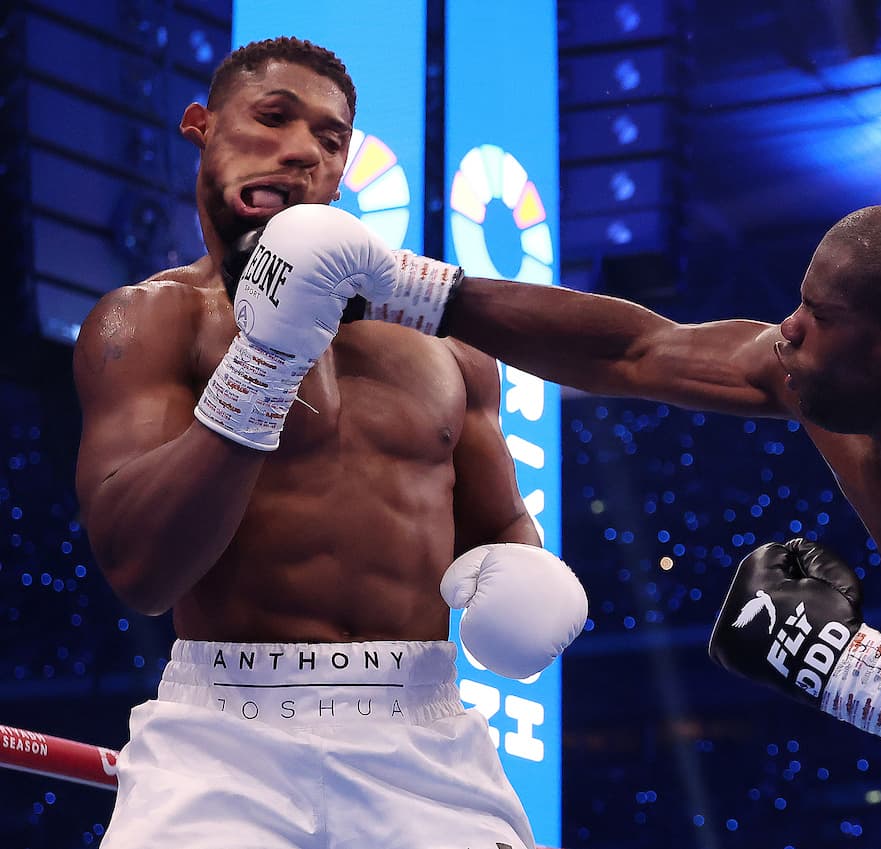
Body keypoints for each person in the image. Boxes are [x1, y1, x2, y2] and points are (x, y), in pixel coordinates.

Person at [383, 201, 881, 847]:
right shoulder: (834, 394)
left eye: (818, 313)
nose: (790, 329)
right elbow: (634, 351)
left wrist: (848, 670)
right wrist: (415, 291)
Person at [72, 37, 587, 849]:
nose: (302, 149)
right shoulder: (148, 320)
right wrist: (263, 364)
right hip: (220, 741)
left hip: (426, 740)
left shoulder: (446, 343)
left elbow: (501, 530)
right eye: (272, 117)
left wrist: (531, 577)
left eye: (331, 138)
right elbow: (140, 569)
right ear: (202, 126)